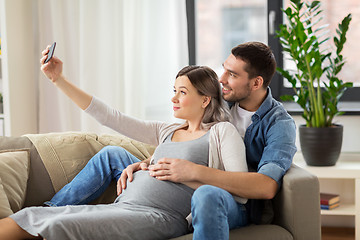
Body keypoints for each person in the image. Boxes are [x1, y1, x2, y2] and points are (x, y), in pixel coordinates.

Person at [0, 50, 248, 239]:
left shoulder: (221, 132)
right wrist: (58, 80)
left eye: (182, 92)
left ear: (205, 100)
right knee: (34, 215)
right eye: (174, 90)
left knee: (58, 225)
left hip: (160, 215)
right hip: (127, 203)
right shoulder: (166, 130)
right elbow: (111, 117)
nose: (173, 98)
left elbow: (240, 190)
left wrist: (189, 175)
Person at [150, 41, 297, 239]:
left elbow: (266, 185)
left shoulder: (279, 124)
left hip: (235, 205)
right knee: (113, 155)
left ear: (256, 83)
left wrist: (194, 171)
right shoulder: (219, 103)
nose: (221, 79)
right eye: (225, 69)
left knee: (207, 195)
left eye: (233, 75)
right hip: (186, 191)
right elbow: (184, 136)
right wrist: (148, 162)